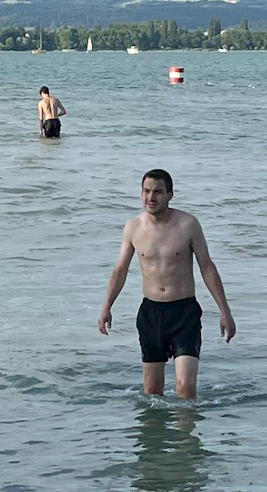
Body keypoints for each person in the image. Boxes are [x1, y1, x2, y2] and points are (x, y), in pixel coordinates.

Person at [98, 168, 236, 399]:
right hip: (150, 314)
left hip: (184, 312)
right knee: (152, 393)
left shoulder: (188, 225)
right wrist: (106, 308)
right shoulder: (133, 227)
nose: (151, 198)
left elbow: (207, 267)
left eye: (158, 192)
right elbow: (120, 270)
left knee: (184, 388)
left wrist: (225, 312)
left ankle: (186, 435)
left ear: (170, 194)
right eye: (146, 191)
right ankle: (156, 436)